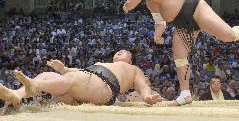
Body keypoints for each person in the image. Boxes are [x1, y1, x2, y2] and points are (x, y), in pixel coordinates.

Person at [0, 50, 162, 115]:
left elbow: (143, 86)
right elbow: (77, 74)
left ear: (130, 59)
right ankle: (17, 94)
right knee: (46, 74)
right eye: (118, 51)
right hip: (83, 85)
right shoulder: (101, 64)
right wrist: (63, 69)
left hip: (104, 88)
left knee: (74, 79)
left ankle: (34, 87)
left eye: (124, 52)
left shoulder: (133, 69)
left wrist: (147, 97)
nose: (119, 52)